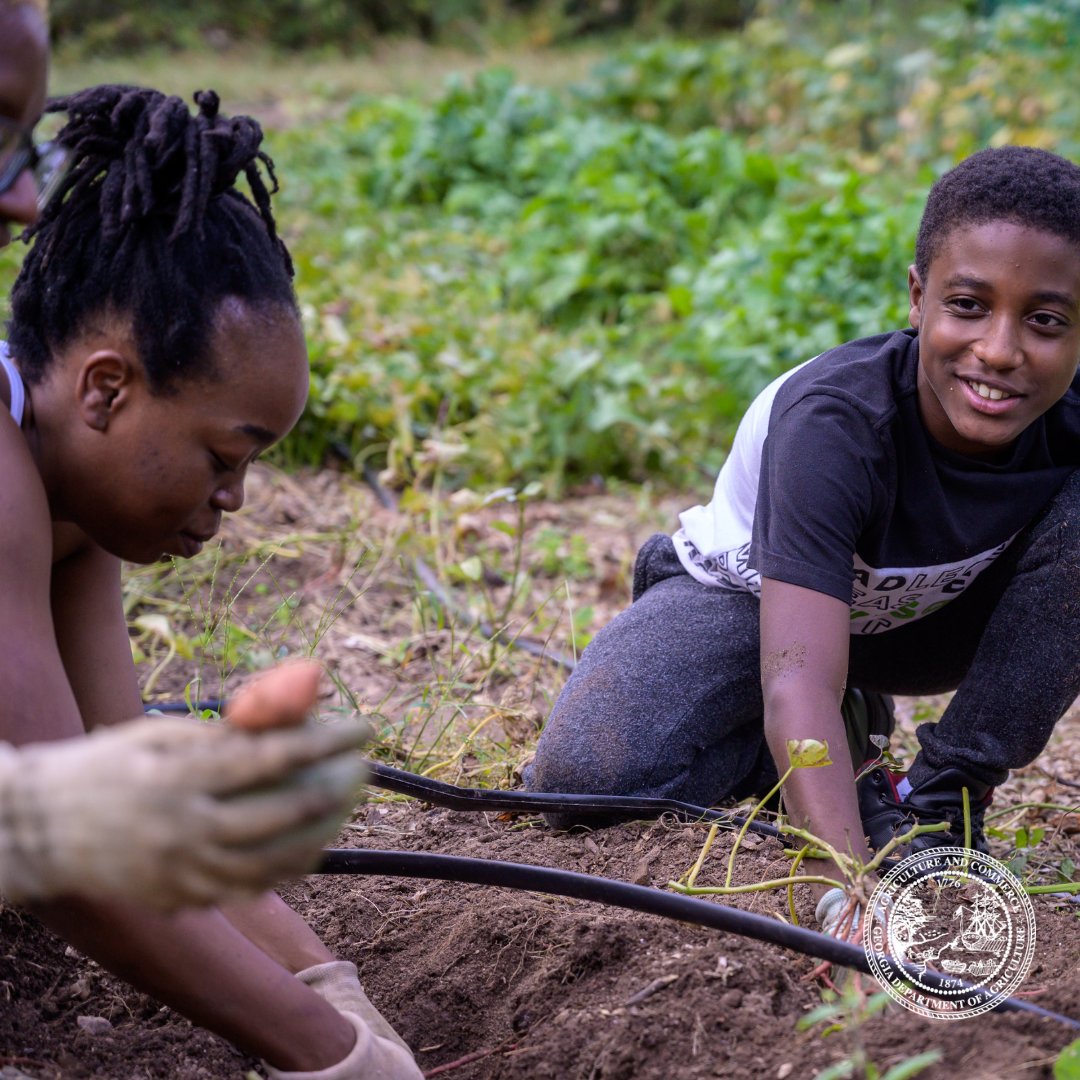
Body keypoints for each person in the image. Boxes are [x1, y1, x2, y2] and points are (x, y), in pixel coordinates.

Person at [0, 4, 422, 1077]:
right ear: (106, 390)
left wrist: (327, 981)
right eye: (222, 456)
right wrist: (328, 1053)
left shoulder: (66, 523)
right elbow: (73, 864)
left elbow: (110, 802)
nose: (232, 500)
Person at [529, 145, 1080, 919]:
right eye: (967, 306)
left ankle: (938, 797)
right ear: (917, 298)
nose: (999, 349)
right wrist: (854, 895)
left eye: (1046, 321)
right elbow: (795, 676)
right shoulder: (836, 423)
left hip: (928, 622)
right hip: (756, 611)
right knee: (585, 782)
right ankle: (837, 761)